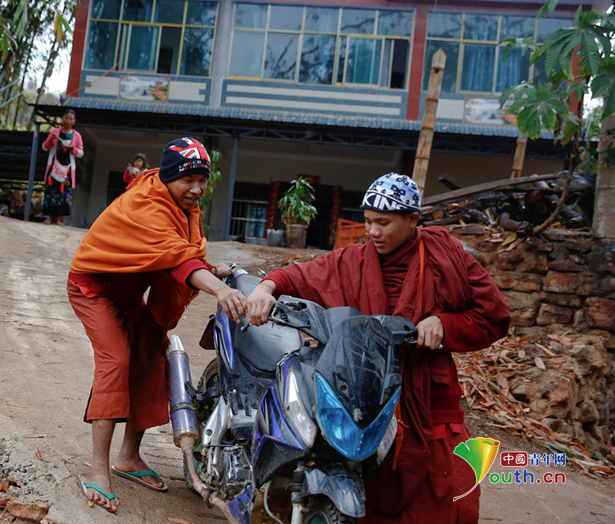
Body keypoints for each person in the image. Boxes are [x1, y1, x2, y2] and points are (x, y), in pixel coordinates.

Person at [247, 173, 510, 524]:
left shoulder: (448, 259)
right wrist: (266, 287)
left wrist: (446, 324)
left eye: (383, 223)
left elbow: (493, 316)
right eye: (368, 222)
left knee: (448, 491)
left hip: (428, 393)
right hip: (365, 387)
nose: (372, 232)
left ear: (413, 220)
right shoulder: (353, 259)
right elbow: (303, 275)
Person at [68, 137, 248, 514]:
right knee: (117, 360)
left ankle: (128, 457)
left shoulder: (183, 206)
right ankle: (99, 470)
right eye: (188, 181)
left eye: (203, 180)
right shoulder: (145, 203)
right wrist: (217, 288)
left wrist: (211, 269)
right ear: (167, 179)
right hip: (94, 288)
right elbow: (177, 258)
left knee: (152, 358)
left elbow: (181, 252)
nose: (197, 189)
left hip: (133, 295)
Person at [41, 109, 83, 225]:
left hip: (68, 169)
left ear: (74, 121)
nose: (68, 120)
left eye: (71, 119)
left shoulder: (77, 136)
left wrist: (72, 149)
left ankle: (59, 219)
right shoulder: (55, 132)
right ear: (63, 119)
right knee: (51, 191)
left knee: (64, 192)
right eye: (66, 118)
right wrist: (51, 140)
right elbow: (44, 147)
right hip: (54, 166)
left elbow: (81, 153)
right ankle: (49, 218)